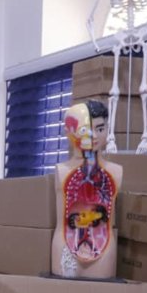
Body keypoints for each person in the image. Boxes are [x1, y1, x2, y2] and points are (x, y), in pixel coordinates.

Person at [51, 100, 123, 279]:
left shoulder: (116, 172)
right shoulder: (61, 171)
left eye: (100, 129)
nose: (94, 136)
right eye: (87, 129)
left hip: (104, 249)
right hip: (65, 247)